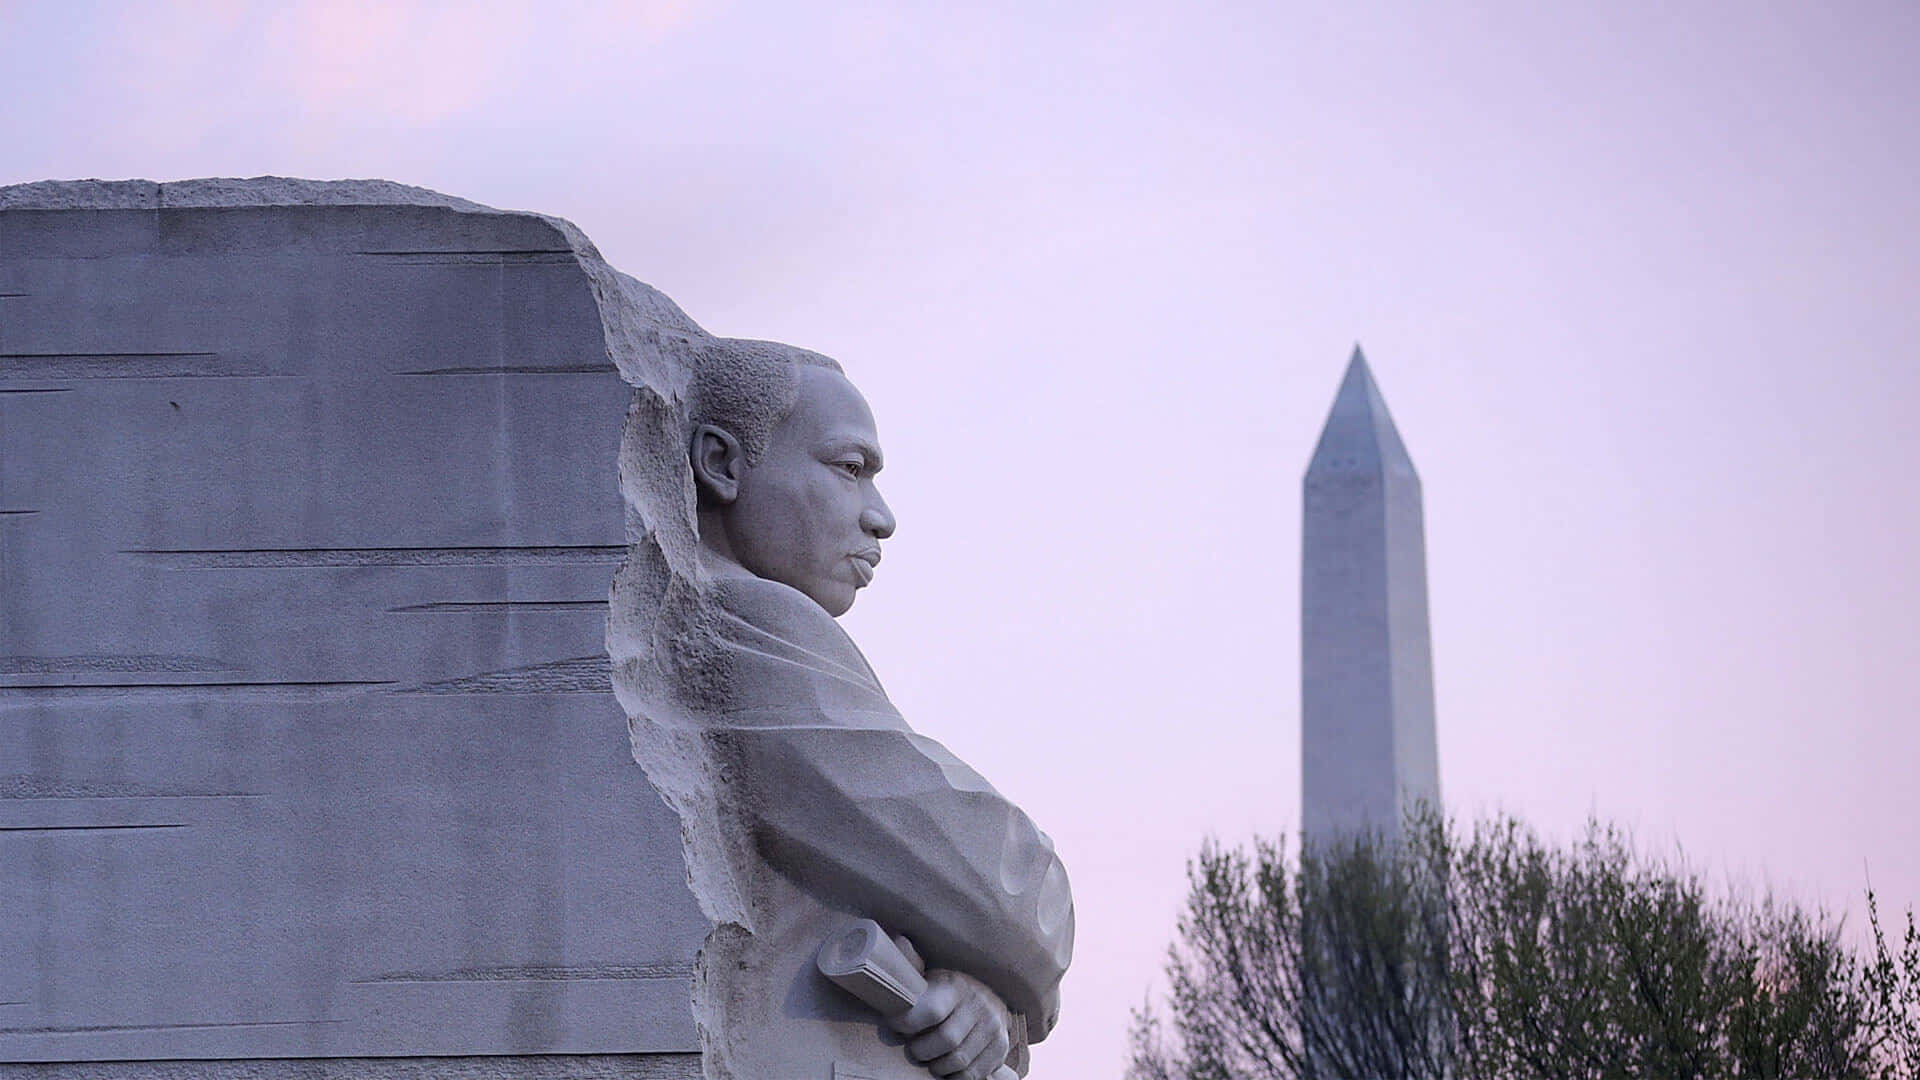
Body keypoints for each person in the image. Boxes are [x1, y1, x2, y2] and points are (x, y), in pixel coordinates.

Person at [616, 335, 1072, 1080]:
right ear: (723, 465)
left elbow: (941, 903)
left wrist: (994, 1003)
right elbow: (1004, 891)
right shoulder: (741, 618)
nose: (880, 517)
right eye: (849, 470)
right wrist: (1013, 954)